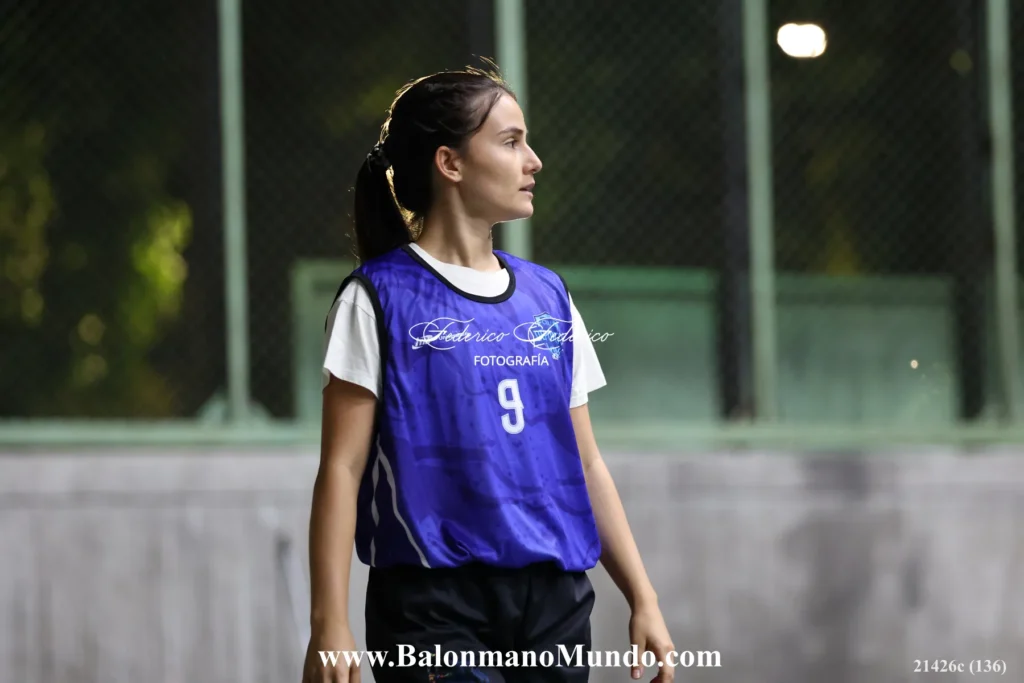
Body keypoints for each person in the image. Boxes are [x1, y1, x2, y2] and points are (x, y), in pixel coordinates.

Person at [303, 66, 675, 683]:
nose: (533, 161)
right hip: (432, 605)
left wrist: (643, 596)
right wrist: (328, 623)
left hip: (554, 604)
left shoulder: (549, 297)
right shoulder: (378, 298)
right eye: (510, 141)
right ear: (450, 163)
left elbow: (586, 464)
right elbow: (341, 469)